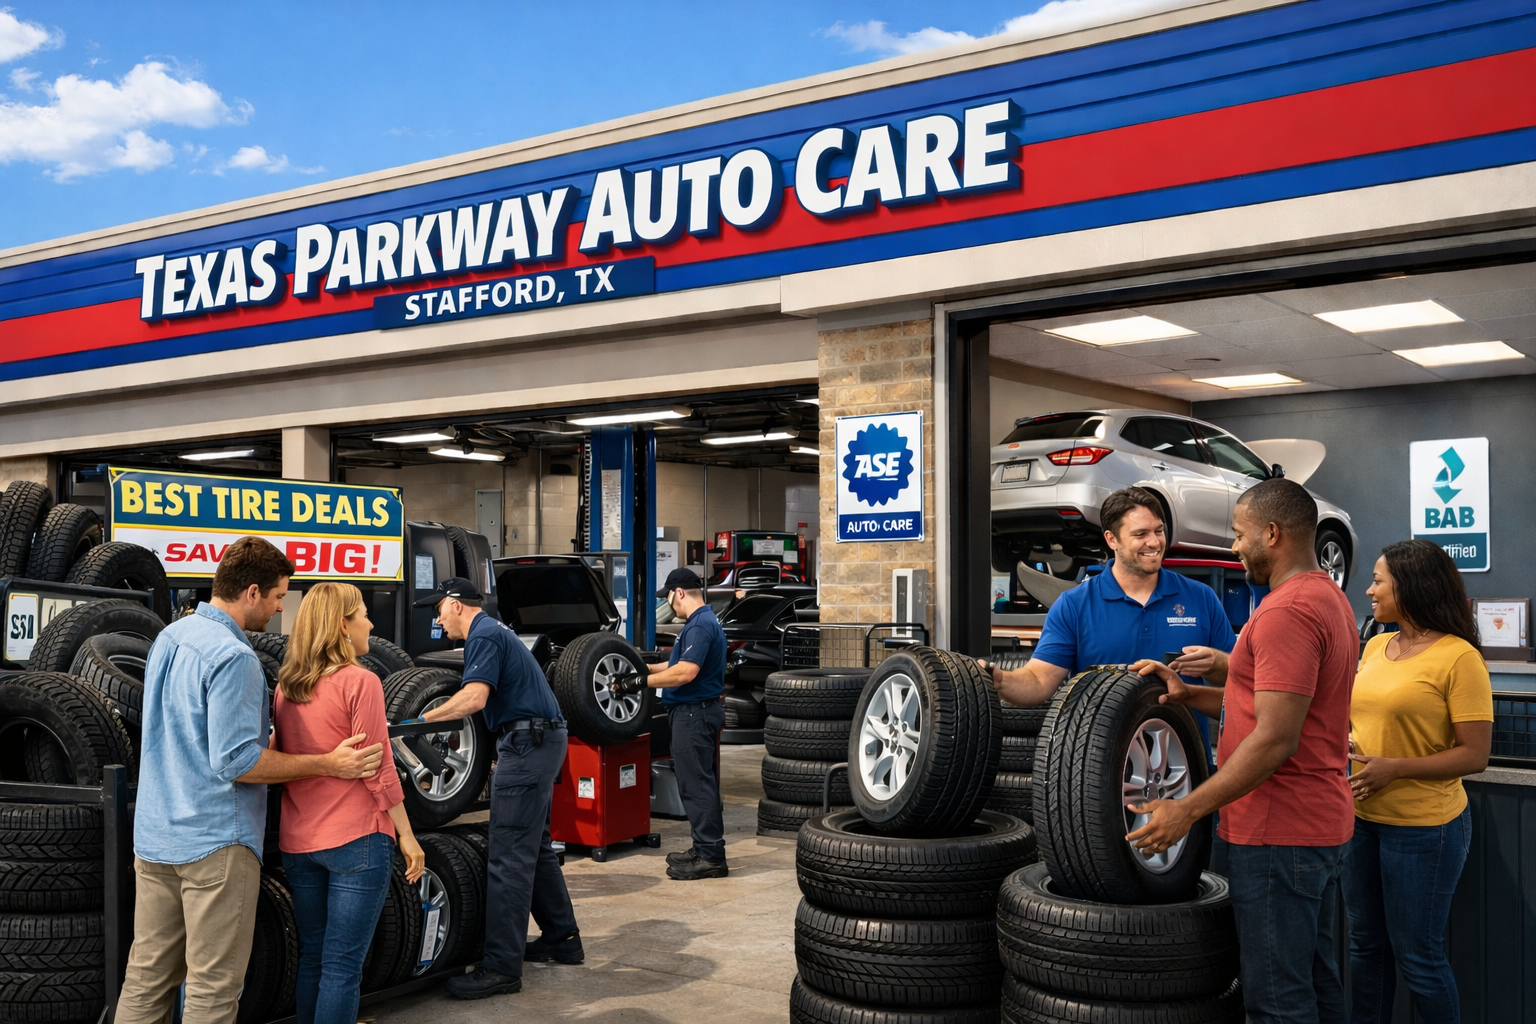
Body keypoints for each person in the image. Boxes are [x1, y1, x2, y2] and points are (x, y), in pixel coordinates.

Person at [116, 537, 385, 1024]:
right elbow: (238, 761)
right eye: (281, 597)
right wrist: (327, 762)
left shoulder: (170, 638)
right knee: (212, 989)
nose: (282, 609)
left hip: (155, 838)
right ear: (253, 592)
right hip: (214, 843)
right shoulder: (234, 657)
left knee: (146, 978)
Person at [1126, 478, 1359, 1024]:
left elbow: (1277, 737)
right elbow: (1270, 702)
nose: (1233, 547)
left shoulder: (1286, 612)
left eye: (1239, 534)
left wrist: (1187, 808)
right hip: (1315, 824)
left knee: (1277, 1003)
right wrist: (1193, 695)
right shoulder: (1328, 597)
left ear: (1272, 534)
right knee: (1316, 982)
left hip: (1277, 832)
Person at [412, 577, 581, 1000]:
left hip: (528, 744)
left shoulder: (482, 635)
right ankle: (563, 939)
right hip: (539, 738)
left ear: (455, 605)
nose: (437, 618)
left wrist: (419, 723)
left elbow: (474, 698)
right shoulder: (498, 632)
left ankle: (501, 968)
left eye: (438, 609)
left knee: (508, 856)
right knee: (534, 848)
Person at [1344, 540, 1491, 1024]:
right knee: (1366, 948)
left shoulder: (1459, 657)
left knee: (1418, 958)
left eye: (1379, 581)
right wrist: (1349, 742)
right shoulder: (1374, 646)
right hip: (1362, 822)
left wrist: (1395, 767)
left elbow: (1475, 754)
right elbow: (1363, 718)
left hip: (1426, 829)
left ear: (1410, 587)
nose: (1368, 590)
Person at [273, 583, 427, 1024]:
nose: (371, 623)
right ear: (342, 626)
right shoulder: (362, 682)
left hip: (299, 841)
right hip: (356, 840)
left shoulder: (287, 688)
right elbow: (378, 768)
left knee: (314, 959)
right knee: (342, 968)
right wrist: (408, 835)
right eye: (363, 614)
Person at [979, 487, 1236, 750]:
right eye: (1140, 534)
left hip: (1183, 768)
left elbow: (1241, 681)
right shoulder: (1074, 605)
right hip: (1098, 768)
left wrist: (1216, 663)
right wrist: (1002, 681)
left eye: (1158, 531)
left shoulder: (1200, 597)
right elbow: (1039, 680)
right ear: (1112, 539)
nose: (1155, 542)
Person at [635, 567, 729, 880]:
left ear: (679, 593)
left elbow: (685, 672)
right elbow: (674, 664)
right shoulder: (702, 622)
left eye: (670, 599)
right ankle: (705, 847)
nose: (671, 606)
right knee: (700, 783)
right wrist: (644, 665)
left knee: (696, 785)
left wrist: (641, 681)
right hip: (698, 712)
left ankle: (711, 856)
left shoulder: (700, 625)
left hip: (694, 714)